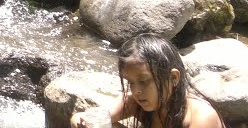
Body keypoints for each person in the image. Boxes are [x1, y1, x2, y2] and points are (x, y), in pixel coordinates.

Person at [70, 33, 223, 128]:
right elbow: (80, 118)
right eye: (130, 82)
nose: (136, 91)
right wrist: (84, 122)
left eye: (143, 81)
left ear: (173, 78)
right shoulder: (136, 101)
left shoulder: (201, 117)